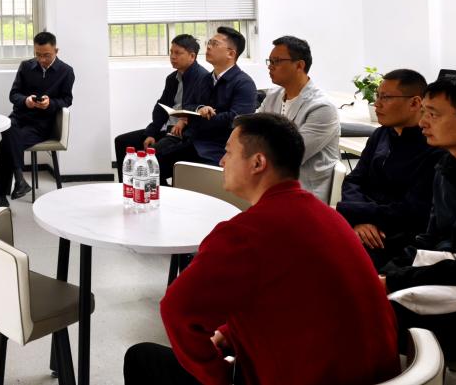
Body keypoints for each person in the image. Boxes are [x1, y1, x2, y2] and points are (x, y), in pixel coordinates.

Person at [124, 113, 399, 385]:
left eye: (228, 152)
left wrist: (218, 377)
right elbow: (290, 298)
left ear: (257, 162)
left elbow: (176, 312)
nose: (221, 161)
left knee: (142, 358)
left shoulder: (245, 233)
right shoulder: (328, 217)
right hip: (380, 374)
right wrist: (229, 334)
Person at [380, 77, 456, 361]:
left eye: (433, 114)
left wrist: (394, 281)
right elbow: (429, 239)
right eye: (424, 113)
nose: (422, 123)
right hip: (448, 276)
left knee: (368, 314)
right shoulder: (446, 165)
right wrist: (388, 273)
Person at [338, 69, 442, 266]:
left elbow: (412, 210)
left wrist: (353, 212)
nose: (376, 104)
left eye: (385, 97)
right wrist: (358, 220)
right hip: (363, 225)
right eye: (377, 96)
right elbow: (354, 180)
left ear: (415, 103)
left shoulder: (433, 146)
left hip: (394, 236)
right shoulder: (382, 134)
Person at [155, 26, 257, 168]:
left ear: (230, 53)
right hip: (195, 142)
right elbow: (189, 105)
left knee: (161, 162)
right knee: (152, 161)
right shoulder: (206, 79)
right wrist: (200, 108)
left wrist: (201, 118)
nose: (208, 47)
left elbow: (236, 120)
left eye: (215, 44)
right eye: (209, 42)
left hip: (219, 149)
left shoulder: (244, 83)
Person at [0, 32, 75, 203]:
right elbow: (13, 95)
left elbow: (67, 100)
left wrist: (50, 103)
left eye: (47, 55)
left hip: (41, 124)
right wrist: (26, 101)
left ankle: (1, 196)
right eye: (38, 54)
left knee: (6, 143)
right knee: (8, 127)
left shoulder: (66, 71)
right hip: (19, 117)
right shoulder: (25, 66)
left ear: (56, 51)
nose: (42, 59)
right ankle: (18, 182)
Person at [114, 34, 210, 179]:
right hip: (168, 129)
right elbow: (161, 107)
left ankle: (152, 189)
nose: (172, 56)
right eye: (171, 52)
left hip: (183, 134)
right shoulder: (172, 78)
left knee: (148, 157)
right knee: (123, 142)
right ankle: (126, 186)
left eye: (178, 53)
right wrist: (151, 133)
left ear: (192, 56)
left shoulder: (203, 78)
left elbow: (201, 109)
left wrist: (184, 120)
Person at [257, 35, 339, 200]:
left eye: (276, 61)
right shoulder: (273, 95)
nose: (270, 67)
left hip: (305, 191)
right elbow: (251, 131)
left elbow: (291, 155)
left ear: (300, 65)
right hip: (270, 182)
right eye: (270, 61)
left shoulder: (322, 107)